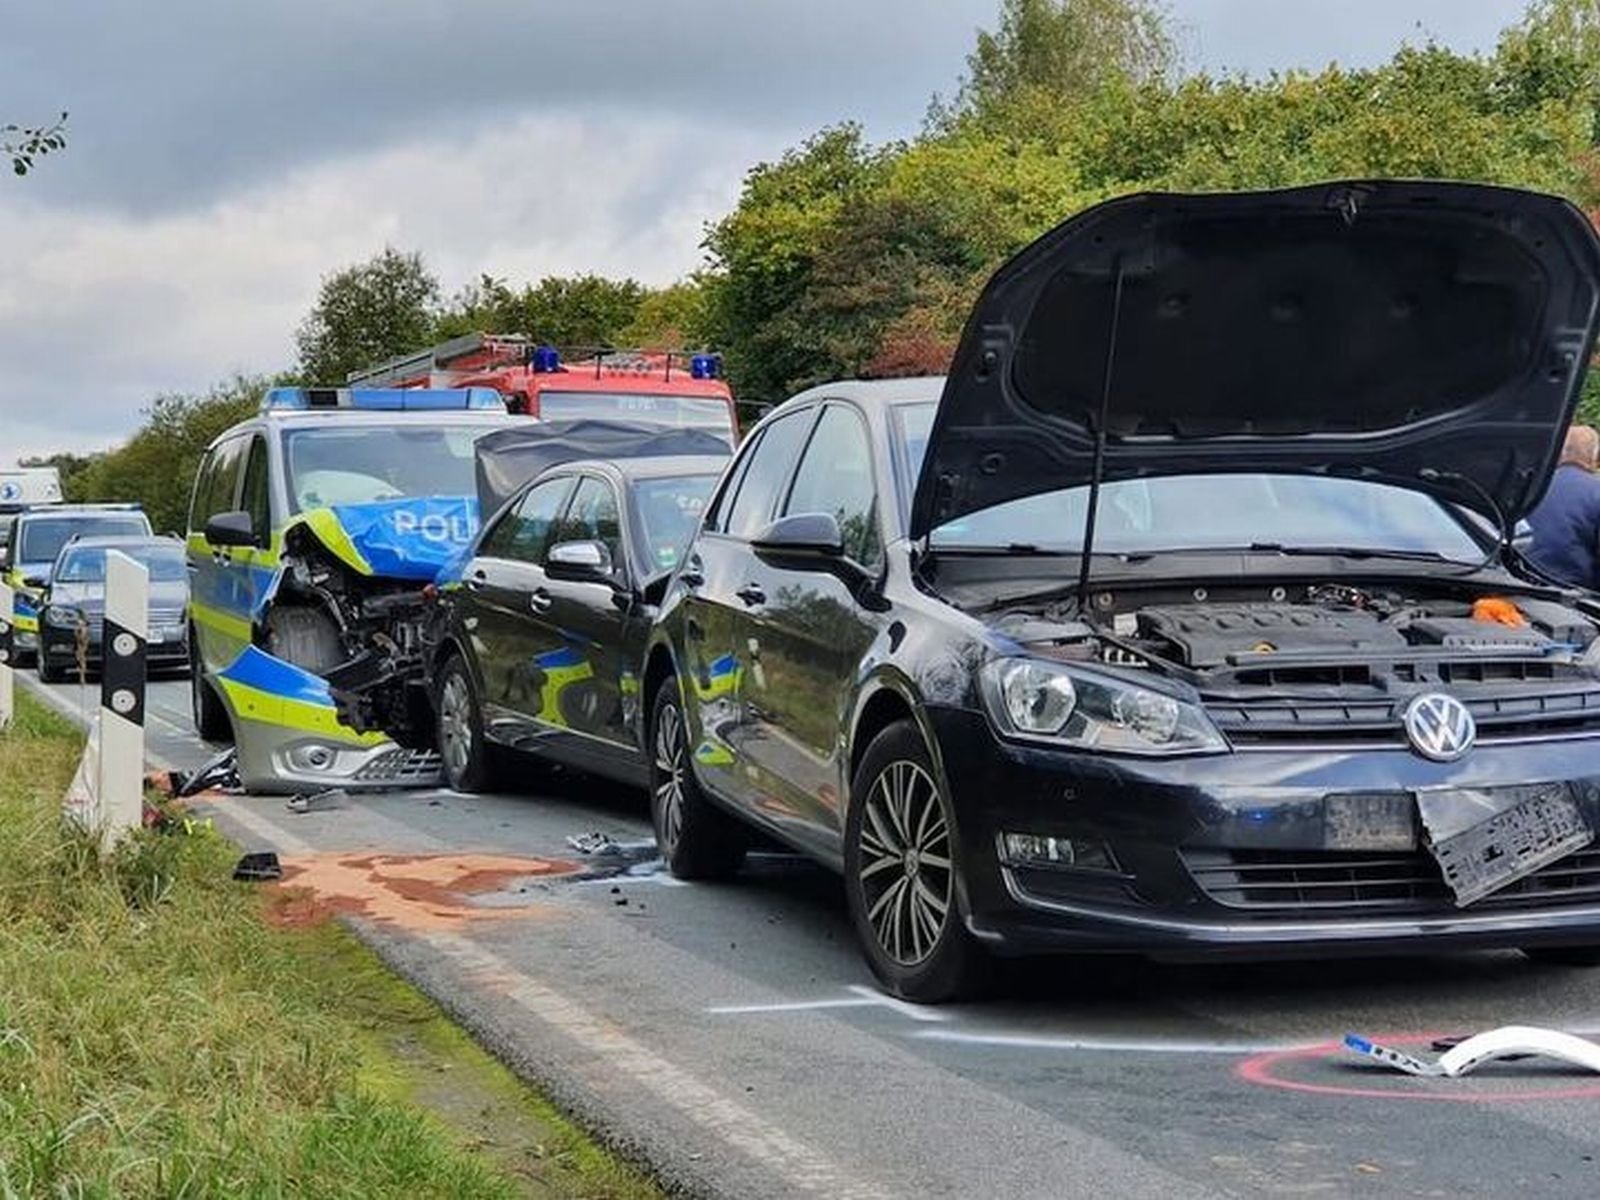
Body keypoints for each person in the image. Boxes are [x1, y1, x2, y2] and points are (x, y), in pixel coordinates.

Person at [1526, 424, 1600, 589]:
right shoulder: (1596, 492)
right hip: (1574, 598)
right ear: (1594, 456)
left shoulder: (1527, 486)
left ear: (1557, 452)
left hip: (1515, 588)